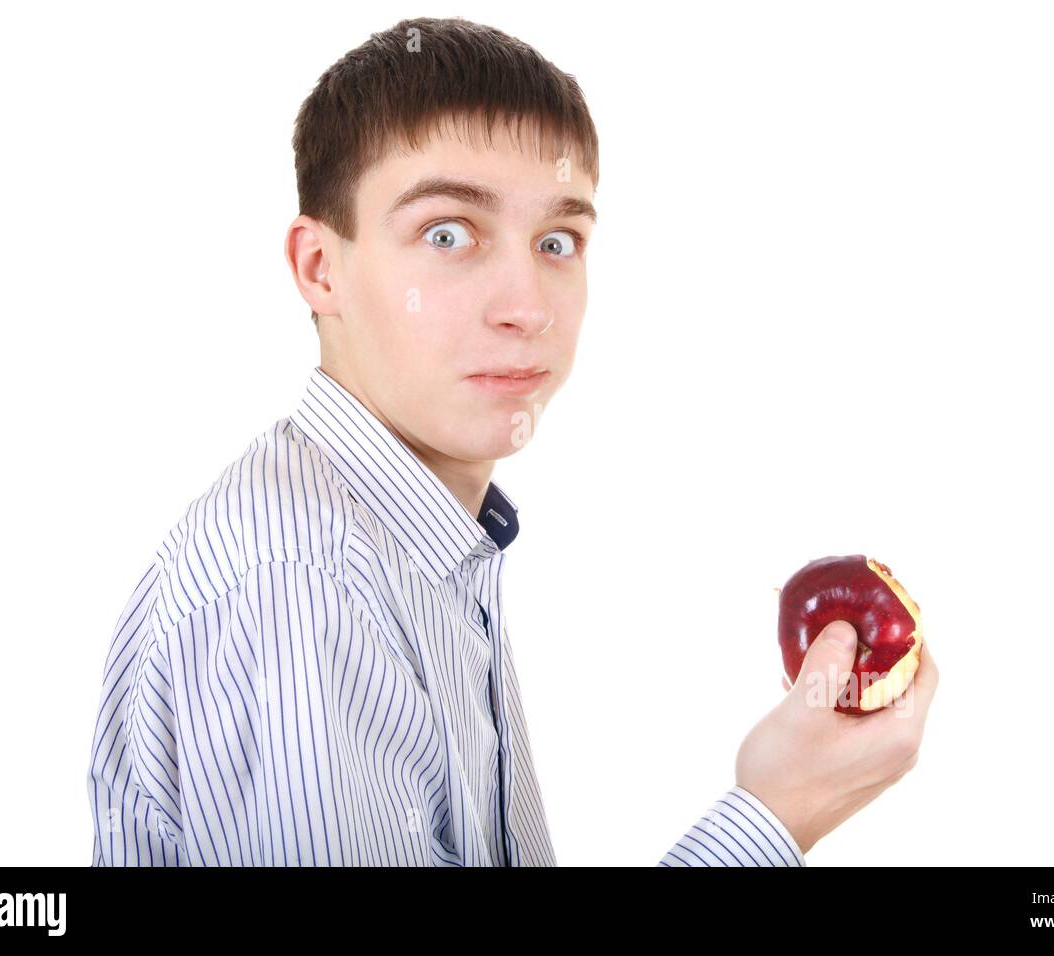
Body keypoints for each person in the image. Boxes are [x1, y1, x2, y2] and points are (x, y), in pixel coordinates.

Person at [87, 15, 938, 867]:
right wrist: (776, 816)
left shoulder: (419, 542)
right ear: (321, 268)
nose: (527, 306)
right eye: (448, 233)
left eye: (558, 241)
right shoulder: (304, 588)